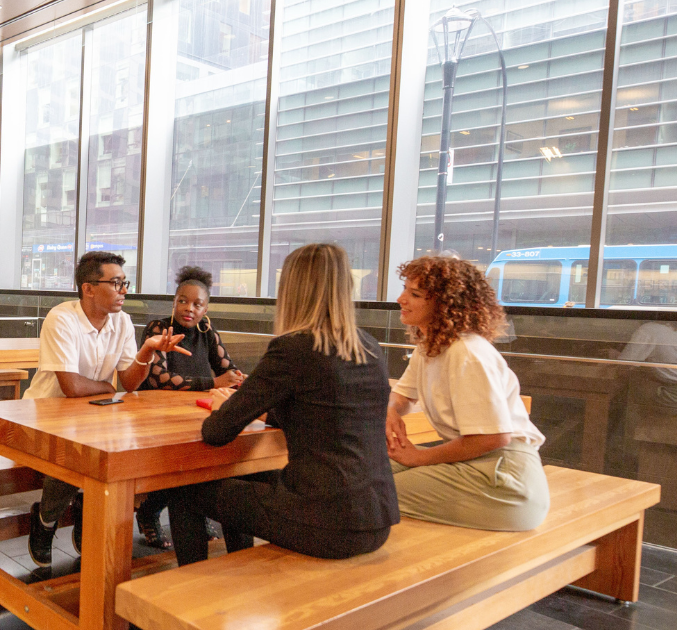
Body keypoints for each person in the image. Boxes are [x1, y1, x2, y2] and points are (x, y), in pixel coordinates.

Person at [171, 243, 398, 566]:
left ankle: (185, 601)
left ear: (291, 289)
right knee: (245, 483)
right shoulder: (369, 347)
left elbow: (217, 432)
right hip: (377, 515)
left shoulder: (293, 349)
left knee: (185, 491)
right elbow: (319, 410)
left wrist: (227, 404)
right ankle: (237, 574)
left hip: (328, 522)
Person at [25, 252, 188, 567]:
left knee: (118, 444)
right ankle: (46, 519)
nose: (123, 290)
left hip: (94, 412)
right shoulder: (62, 318)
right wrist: (108, 387)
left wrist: (147, 352)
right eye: (115, 283)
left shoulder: (122, 321)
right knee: (75, 450)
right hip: (46, 412)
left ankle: (88, 509)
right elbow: (71, 387)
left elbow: (128, 382)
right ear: (88, 288)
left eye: (124, 283)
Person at [386, 255, 549, 532]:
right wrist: (390, 411)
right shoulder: (431, 348)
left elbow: (494, 437)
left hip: (506, 481)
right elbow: (402, 395)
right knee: (369, 474)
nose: (401, 299)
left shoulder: (467, 353)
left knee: (371, 492)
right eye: (404, 289)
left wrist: (419, 458)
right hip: (476, 465)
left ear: (445, 304)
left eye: (414, 294)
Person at [132, 265, 246, 549]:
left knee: (207, 455)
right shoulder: (158, 329)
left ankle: (197, 510)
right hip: (154, 412)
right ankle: (149, 511)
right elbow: (160, 379)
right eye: (182, 300)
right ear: (174, 302)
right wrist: (214, 381)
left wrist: (237, 380)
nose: (189, 308)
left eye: (197, 304)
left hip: (191, 409)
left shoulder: (207, 332)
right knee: (174, 464)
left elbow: (227, 368)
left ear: (206, 310)